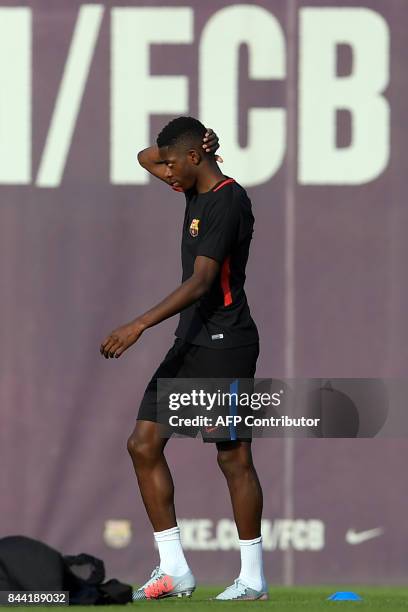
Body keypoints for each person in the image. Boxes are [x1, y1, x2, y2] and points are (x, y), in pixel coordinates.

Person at [100, 117, 267, 601]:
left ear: (196, 158)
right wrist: (187, 152)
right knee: (143, 444)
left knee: (232, 456)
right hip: (192, 338)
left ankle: (253, 576)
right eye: (168, 163)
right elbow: (145, 157)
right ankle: (174, 569)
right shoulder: (190, 182)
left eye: (174, 163)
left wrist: (137, 325)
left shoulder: (228, 201)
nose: (165, 172)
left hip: (226, 341)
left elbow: (201, 282)